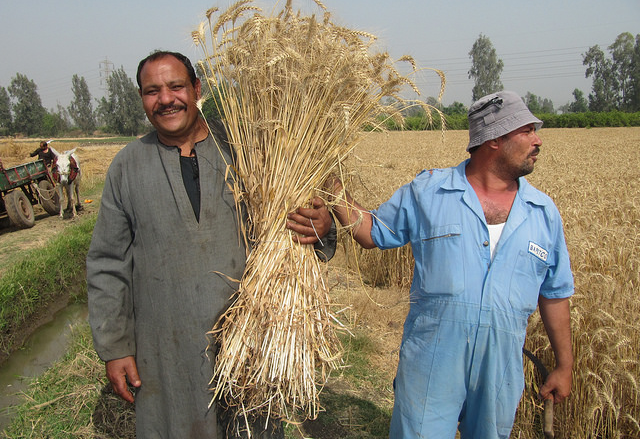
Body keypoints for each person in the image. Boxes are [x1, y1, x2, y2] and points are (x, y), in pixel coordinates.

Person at [86, 50, 335, 439]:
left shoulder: (249, 150)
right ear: (141, 99)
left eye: (175, 86)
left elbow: (294, 229)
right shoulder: (127, 167)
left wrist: (320, 226)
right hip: (167, 351)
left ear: (197, 89)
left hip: (252, 342)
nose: (165, 99)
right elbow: (107, 264)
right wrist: (115, 347)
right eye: (152, 91)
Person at [329, 90, 574, 439]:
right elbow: (370, 231)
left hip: (499, 371)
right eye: (528, 131)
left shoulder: (544, 213)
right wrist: (330, 182)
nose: (538, 141)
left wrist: (564, 366)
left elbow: (555, 294)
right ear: (495, 139)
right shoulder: (429, 191)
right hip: (431, 363)